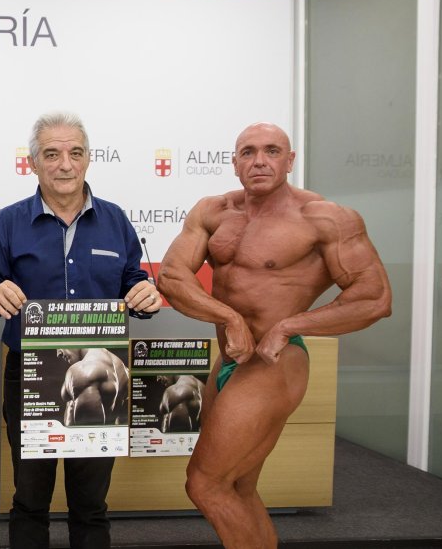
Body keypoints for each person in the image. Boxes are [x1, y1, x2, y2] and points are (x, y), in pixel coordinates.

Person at [157, 122, 391, 549]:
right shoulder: (213, 211)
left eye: (271, 151)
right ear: (234, 163)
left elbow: (374, 298)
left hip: (274, 363)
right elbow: (172, 277)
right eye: (248, 152)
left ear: (290, 160)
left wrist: (289, 325)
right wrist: (229, 318)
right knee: (237, 487)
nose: (259, 161)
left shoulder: (323, 218)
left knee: (205, 484)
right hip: (230, 360)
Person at [0, 111, 161, 549]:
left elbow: (133, 280)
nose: (65, 164)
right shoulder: (7, 223)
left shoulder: (116, 221)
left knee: (91, 504)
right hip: (30, 375)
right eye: (52, 154)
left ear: (88, 159)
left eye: (75, 153)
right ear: (33, 163)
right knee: (30, 500)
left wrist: (145, 293)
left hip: (101, 374)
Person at [56, 348, 129, 427]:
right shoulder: (125, 372)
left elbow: (88, 431)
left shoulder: (84, 369)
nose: (58, 354)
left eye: (59, 345)